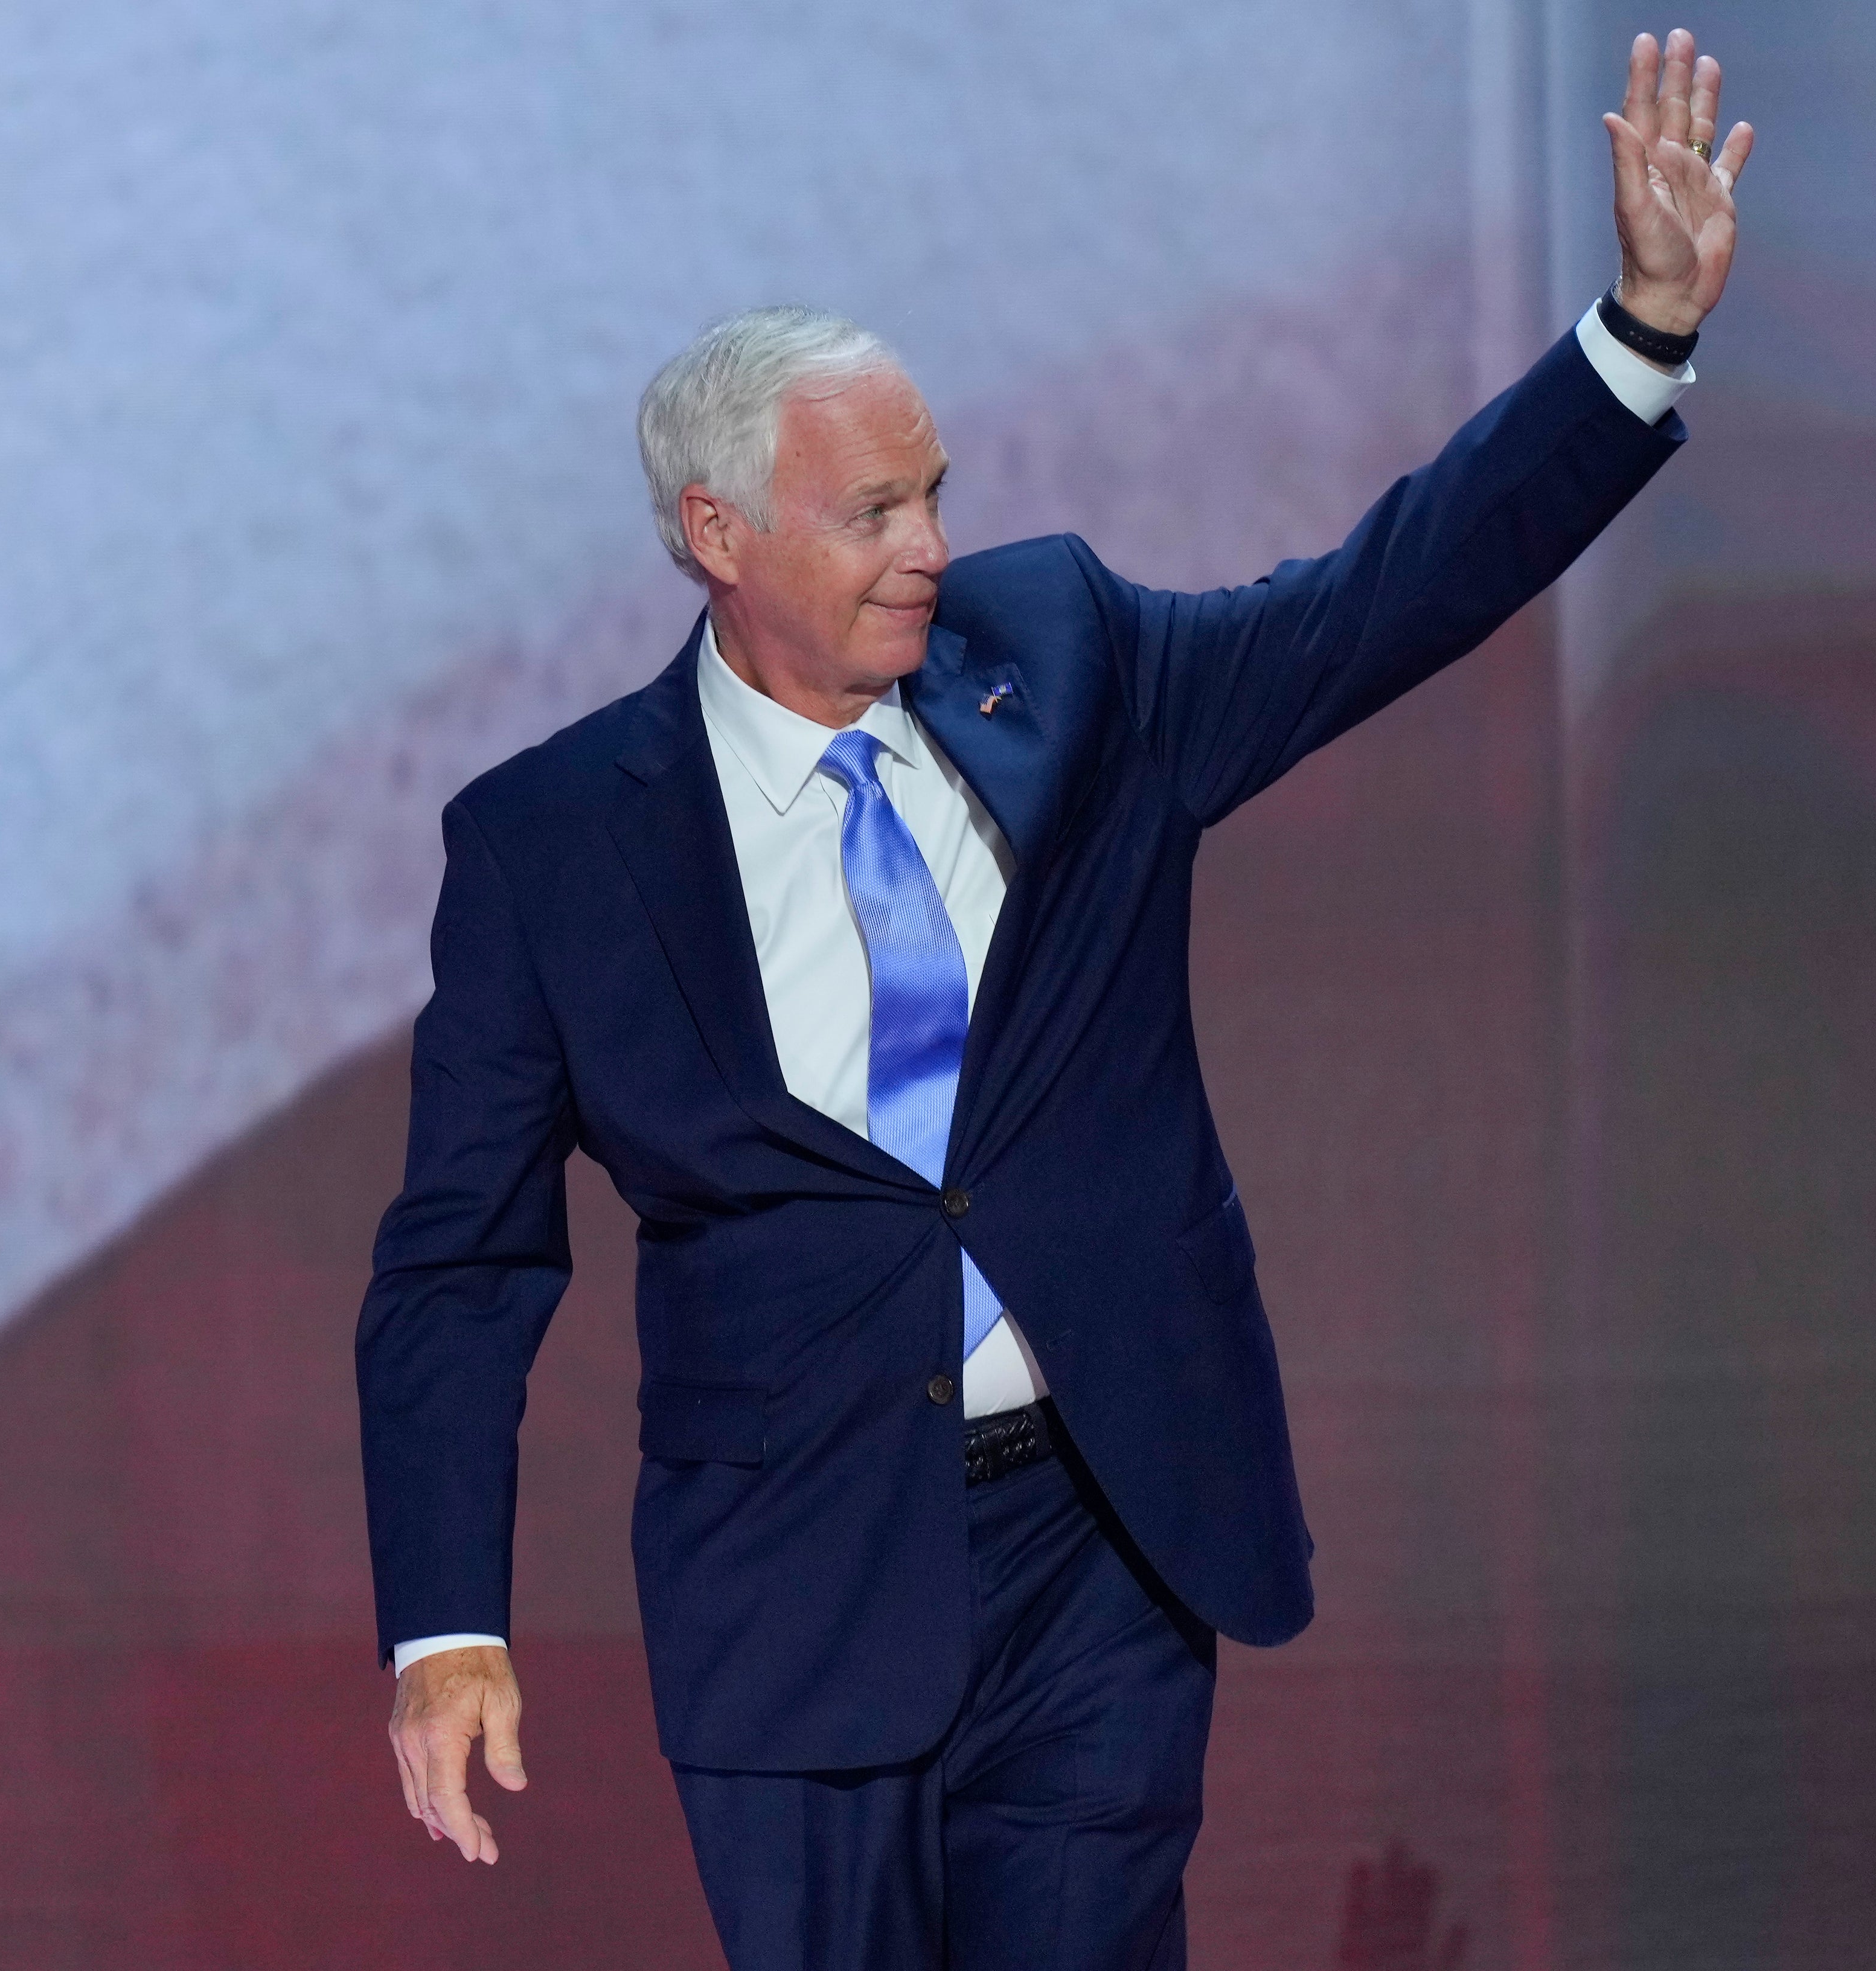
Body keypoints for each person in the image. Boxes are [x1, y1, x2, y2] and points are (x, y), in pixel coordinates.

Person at [358, 28, 1752, 1969]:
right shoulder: (548, 851)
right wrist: (446, 1627)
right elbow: (460, 1266)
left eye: (934, 493)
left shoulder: (1067, 662)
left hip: (1096, 1530)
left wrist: (1636, 342)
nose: (932, 549)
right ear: (718, 538)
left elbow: (1377, 601)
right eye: (874, 517)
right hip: (799, 1591)